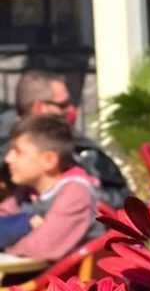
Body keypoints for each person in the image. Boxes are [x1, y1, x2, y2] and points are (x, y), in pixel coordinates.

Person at [0, 69, 131, 210]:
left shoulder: (82, 150)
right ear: (39, 108)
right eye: (63, 105)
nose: (71, 110)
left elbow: (120, 199)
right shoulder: (7, 146)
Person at [1, 115, 99, 271]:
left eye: (17, 152)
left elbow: (40, 248)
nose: (8, 158)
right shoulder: (27, 193)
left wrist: (6, 240)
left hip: (69, 287)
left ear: (49, 160)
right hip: (32, 280)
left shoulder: (76, 192)